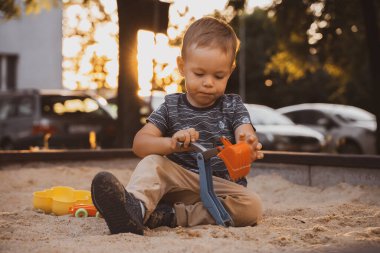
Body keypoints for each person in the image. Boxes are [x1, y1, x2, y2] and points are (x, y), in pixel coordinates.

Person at [91, 16, 264, 235]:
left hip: (219, 188)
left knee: (252, 206)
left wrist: (247, 145)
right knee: (153, 162)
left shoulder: (232, 106)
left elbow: (244, 133)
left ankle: (168, 216)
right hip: (176, 182)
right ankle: (136, 208)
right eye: (199, 74)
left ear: (230, 70)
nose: (208, 82)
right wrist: (170, 143)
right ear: (182, 67)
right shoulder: (171, 107)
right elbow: (140, 144)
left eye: (219, 76)